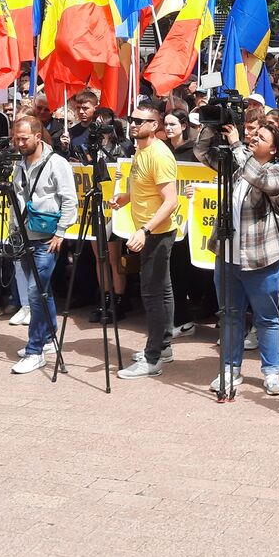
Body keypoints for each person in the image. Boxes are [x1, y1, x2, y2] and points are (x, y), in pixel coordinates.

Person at [194, 120, 279, 396]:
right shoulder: (237, 164)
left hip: (261, 258)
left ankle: (271, 372)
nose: (254, 139)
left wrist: (237, 145)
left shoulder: (277, 172)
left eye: (261, 138)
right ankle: (230, 368)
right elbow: (202, 153)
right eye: (254, 134)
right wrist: (214, 125)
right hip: (227, 254)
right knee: (229, 315)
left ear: (273, 150)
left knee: (266, 318)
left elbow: (259, 179)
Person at [114, 105, 182, 379]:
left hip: (156, 232)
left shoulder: (159, 154)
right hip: (151, 230)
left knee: (152, 295)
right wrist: (126, 198)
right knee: (162, 291)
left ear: (154, 125)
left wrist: (145, 230)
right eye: (132, 119)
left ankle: (153, 358)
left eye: (140, 121)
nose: (133, 124)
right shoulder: (140, 150)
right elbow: (145, 187)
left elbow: (171, 200)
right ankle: (162, 346)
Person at [8, 117, 78, 374]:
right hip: (24, 236)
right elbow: (16, 198)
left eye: (24, 138)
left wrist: (61, 232)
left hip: (47, 239)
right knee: (41, 291)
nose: (19, 143)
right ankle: (48, 337)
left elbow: (70, 200)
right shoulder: (19, 163)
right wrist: (12, 230)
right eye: (16, 138)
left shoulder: (57, 163)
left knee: (36, 292)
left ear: (38, 136)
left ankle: (34, 350)